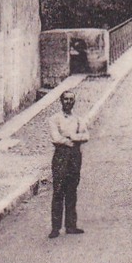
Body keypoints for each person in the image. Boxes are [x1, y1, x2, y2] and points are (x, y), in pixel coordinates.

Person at [47, 91, 89, 238]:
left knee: (72, 190)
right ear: (61, 101)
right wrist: (70, 141)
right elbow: (55, 138)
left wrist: (71, 137)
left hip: (75, 157)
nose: (68, 102)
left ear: (74, 102)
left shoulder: (78, 119)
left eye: (71, 99)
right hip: (60, 156)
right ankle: (55, 228)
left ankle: (71, 225)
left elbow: (86, 136)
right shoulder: (54, 119)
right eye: (66, 99)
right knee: (58, 191)